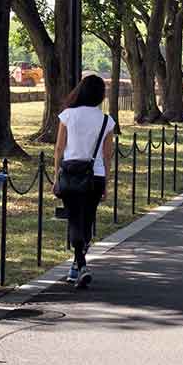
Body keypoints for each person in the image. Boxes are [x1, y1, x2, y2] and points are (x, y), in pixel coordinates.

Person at [54, 74, 116, 289]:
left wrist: (55, 177)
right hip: (95, 175)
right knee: (87, 221)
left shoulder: (68, 115)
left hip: (71, 173)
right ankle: (78, 265)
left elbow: (60, 149)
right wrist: (107, 182)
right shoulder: (106, 121)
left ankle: (79, 265)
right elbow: (108, 155)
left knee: (74, 219)